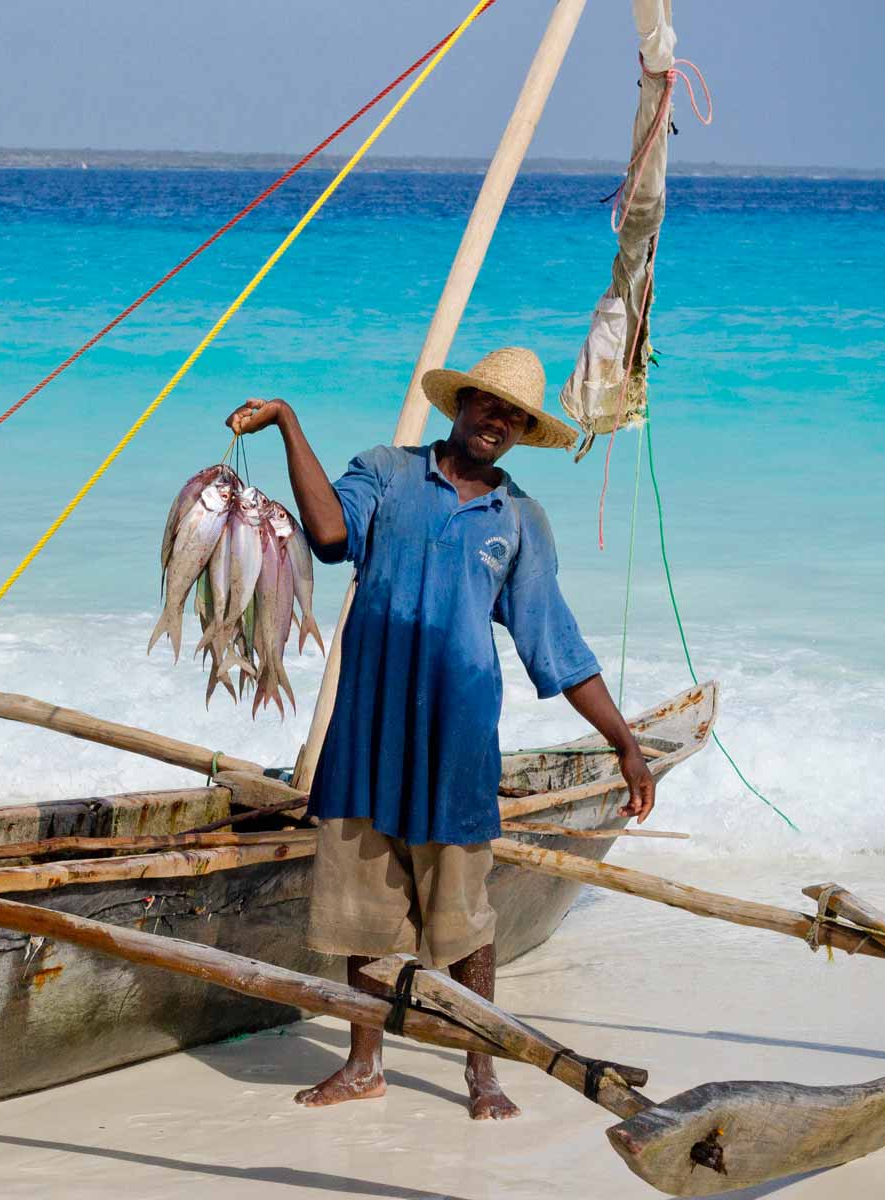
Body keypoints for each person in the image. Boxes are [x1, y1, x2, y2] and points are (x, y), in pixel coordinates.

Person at [225, 346, 656, 1121]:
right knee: (362, 912)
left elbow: (552, 641)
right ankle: (364, 1064)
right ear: (459, 405)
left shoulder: (518, 519)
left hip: (457, 742)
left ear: (524, 432)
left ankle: (481, 1071)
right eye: (489, 405)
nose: (499, 422)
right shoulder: (386, 473)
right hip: (366, 732)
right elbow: (326, 535)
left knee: (466, 920)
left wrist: (624, 742)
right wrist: (289, 421)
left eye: (516, 417)